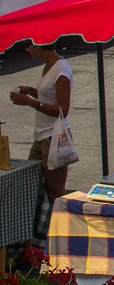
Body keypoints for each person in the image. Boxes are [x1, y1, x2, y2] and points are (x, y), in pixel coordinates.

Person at [9, 45, 75, 205]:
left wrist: (32, 103)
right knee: (32, 185)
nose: (26, 50)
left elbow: (62, 109)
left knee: (55, 193)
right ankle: (42, 226)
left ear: (38, 47)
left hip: (54, 137)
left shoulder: (62, 70)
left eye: (28, 46)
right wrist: (31, 91)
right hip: (41, 137)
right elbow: (49, 95)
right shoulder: (48, 66)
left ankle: (59, 227)